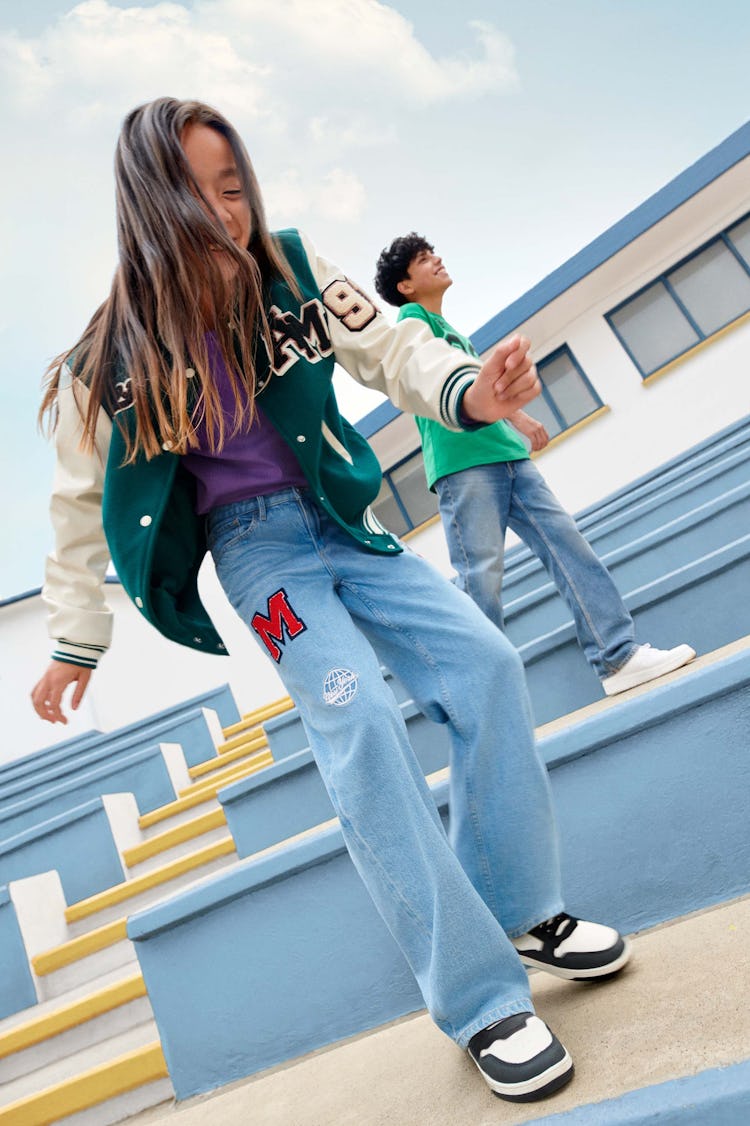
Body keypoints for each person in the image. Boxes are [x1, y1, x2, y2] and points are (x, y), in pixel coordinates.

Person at [31, 98, 631, 1104]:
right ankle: (482, 1000)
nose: (225, 210)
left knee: (485, 662)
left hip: (346, 525)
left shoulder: (294, 268)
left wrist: (472, 391)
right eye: (198, 192)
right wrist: (73, 643)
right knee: (354, 711)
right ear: (147, 205)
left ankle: (526, 909)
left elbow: (393, 349)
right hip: (261, 565)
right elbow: (79, 508)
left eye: (235, 187)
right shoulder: (115, 357)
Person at [374, 233, 696, 696]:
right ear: (405, 286)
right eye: (425, 260)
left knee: (570, 549)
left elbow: (482, 392)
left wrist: (518, 419)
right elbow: (440, 383)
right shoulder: (412, 323)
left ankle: (618, 656)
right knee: (480, 582)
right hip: (463, 467)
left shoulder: (451, 332)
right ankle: (481, 695)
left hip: (508, 459)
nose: (438, 260)